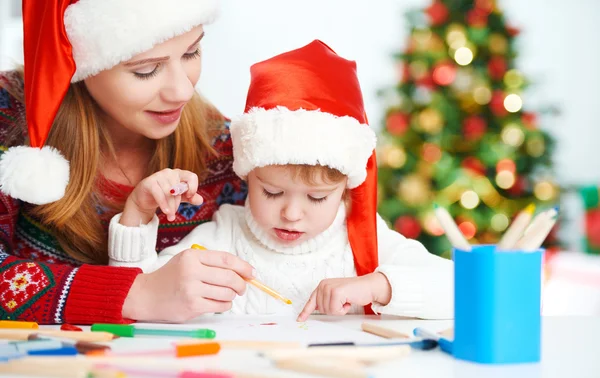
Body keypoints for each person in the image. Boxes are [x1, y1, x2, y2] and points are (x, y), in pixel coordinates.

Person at [108, 40, 454, 321]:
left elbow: (463, 291)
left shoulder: (363, 237)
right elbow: (139, 296)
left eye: (316, 198)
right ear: (248, 176)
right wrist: (136, 216)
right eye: (271, 192)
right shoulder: (226, 233)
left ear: (346, 191)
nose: (291, 213)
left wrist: (379, 286)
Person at [0, 0, 256, 325]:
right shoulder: (7, 112)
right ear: (78, 61)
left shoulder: (222, 146)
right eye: (145, 69)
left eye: (191, 52)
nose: (182, 92)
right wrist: (133, 295)